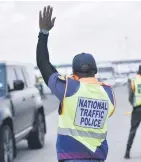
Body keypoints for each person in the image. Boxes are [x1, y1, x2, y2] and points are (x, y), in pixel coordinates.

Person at [36, 5, 116, 162]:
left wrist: (43, 33)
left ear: (74, 73)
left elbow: (44, 65)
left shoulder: (69, 88)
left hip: (71, 157)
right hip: (97, 157)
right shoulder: (108, 93)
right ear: (95, 71)